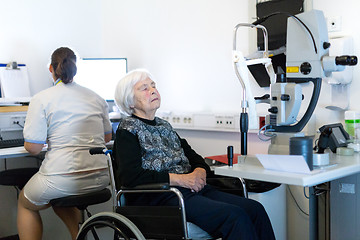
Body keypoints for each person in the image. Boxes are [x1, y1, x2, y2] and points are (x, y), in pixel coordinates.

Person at [113, 69, 276, 240]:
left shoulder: (164, 126)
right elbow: (130, 176)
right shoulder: (128, 130)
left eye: (153, 86)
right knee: (235, 216)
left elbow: (193, 156)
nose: (153, 90)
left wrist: (199, 170)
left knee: (255, 209)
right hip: (162, 196)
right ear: (130, 101)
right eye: (144, 88)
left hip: (190, 190)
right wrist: (180, 179)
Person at [17, 47, 112, 240]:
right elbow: (107, 138)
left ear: (51, 69)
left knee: (25, 202)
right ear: (75, 67)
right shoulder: (97, 97)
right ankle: (78, 235)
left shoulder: (42, 98)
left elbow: (33, 148)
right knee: (58, 198)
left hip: (62, 179)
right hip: (100, 178)